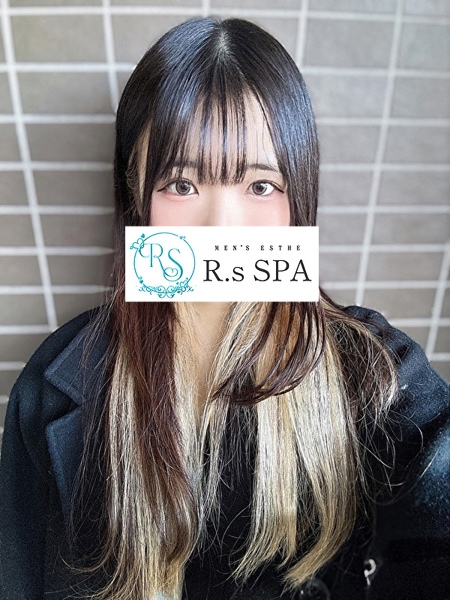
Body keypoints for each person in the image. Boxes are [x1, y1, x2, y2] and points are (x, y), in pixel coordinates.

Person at [0, 17, 448, 600]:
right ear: (135, 194)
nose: (222, 228)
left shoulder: (371, 367)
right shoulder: (52, 387)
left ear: (299, 196)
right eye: (182, 185)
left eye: (260, 186)